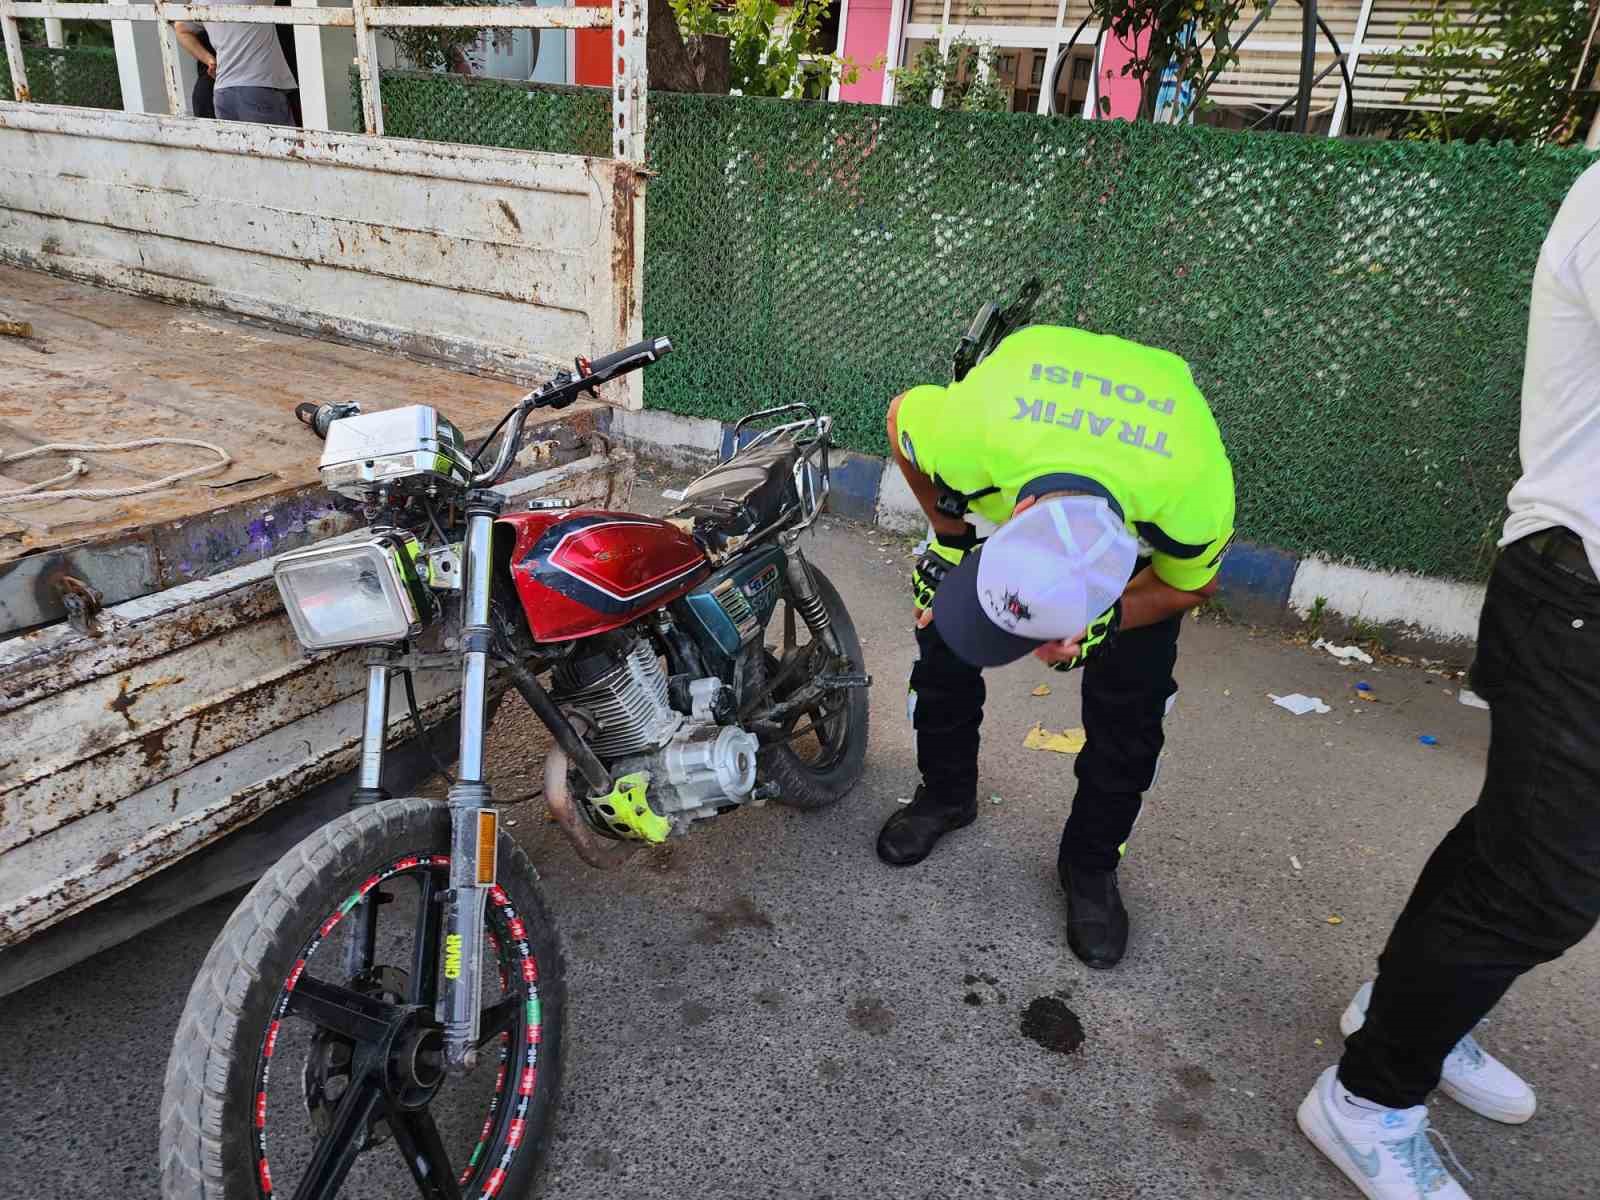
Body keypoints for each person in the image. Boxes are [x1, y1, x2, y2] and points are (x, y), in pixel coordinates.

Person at [1296, 160, 1600, 1200]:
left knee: (1513, 844)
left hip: (1575, 590)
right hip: (1578, 588)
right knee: (1544, 887)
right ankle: (1369, 1099)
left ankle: (1406, 1009)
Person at [877, 322, 1236, 970]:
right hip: (1032, 446)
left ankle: (1090, 865)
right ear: (1015, 513)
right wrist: (949, 540)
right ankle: (946, 794)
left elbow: (1192, 585)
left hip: (1131, 542)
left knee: (1132, 718)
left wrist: (1114, 616)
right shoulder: (971, 434)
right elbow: (901, 414)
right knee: (943, 644)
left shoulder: (1191, 499)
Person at [175, 0, 298, 127]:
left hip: (223, 93)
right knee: (278, 140)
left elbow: (180, 28)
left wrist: (209, 60)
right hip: (258, 87)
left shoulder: (202, 2)